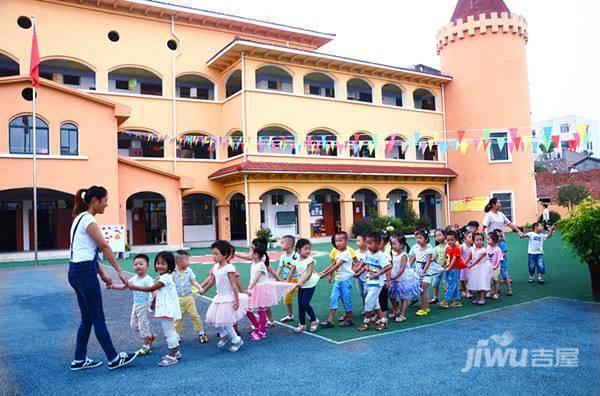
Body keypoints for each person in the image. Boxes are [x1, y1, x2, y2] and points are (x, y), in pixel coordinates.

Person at [68, 186, 137, 371]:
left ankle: (79, 359)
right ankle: (113, 358)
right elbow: (104, 246)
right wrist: (120, 271)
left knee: (87, 319)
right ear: (95, 201)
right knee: (97, 317)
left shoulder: (79, 219)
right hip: (84, 272)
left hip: (76, 271)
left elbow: (86, 251)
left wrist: (103, 274)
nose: (107, 204)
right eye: (105, 200)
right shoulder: (88, 219)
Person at [128, 251, 182, 367]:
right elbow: (157, 291)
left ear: (170, 266)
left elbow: (151, 288)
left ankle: (172, 356)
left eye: (163, 264)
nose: (159, 266)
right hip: (165, 307)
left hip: (167, 309)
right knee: (170, 330)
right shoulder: (162, 277)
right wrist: (153, 302)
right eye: (158, 263)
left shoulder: (166, 278)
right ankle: (176, 352)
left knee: (169, 332)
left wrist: (134, 287)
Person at [201, 240, 247, 352]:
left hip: (227, 298)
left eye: (216, 254)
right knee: (212, 319)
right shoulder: (216, 267)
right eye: (213, 254)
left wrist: (236, 300)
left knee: (225, 322)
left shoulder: (229, 268)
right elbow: (212, 281)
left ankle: (237, 340)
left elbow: (234, 285)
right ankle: (224, 334)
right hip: (219, 298)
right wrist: (203, 291)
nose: (214, 256)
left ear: (225, 254)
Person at [246, 238, 295, 341]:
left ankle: (262, 332)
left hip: (260, 290)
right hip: (255, 289)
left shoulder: (260, 265)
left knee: (261, 311)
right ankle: (258, 326)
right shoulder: (254, 264)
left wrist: (249, 288)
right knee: (247, 309)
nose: (248, 253)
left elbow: (256, 278)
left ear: (255, 254)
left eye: (250, 251)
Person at [108, 254, 156, 355]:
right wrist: (112, 286)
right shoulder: (134, 278)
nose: (138, 266)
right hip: (136, 305)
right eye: (135, 264)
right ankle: (149, 336)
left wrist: (153, 302)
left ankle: (146, 346)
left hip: (144, 305)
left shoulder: (148, 279)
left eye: (141, 264)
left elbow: (153, 290)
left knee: (143, 325)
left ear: (147, 266)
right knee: (133, 325)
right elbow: (124, 286)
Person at [319, 231, 356, 328]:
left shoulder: (346, 253)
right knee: (333, 298)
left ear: (346, 241)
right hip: (339, 280)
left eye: (340, 240)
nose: (338, 243)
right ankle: (330, 321)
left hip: (345, 281)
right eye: (336, 241)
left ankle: (350, 319)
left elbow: (336, 266)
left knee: (346, 300)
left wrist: (325, 275)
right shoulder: (339, 252)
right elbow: (333, 264)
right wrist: (323, 272)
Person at [173, 250, 208, 343]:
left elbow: (193, 281)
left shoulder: (189, 271)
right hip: (177, 299)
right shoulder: (173, 272)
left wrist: (200, 288)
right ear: (180, 262)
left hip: (189, 298)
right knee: (177, 318)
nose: (189, 262)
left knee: (195, 315)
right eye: (187, 260)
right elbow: (167, 281)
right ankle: (177, 335)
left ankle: (201, 333)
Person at [358, 232, 391, 331]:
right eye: (366, 243)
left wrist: (378, 273)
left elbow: (389, 266)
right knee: (375, 303)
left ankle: (366, 321)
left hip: (377, 283)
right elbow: (366, 264)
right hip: (369, 281)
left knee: (368, 301)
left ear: (377, 243)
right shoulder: (368, 253)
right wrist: (359, 272)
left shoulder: (380, 256)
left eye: (370, 243)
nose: (367, 246)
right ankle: (383, 320)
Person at [386, 235, 421, 322]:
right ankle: (396, 309)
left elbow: (402, 268)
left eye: (394, 244)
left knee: (403, 296)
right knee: (391, 293)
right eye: (392, 244)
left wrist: (395, 276)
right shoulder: (393, 254)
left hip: (403, 278)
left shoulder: (404, 255)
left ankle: (402, 314)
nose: (392, 246)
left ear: (401, 245)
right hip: (394, 276)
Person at [293, 238, 321, 333]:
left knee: (305, 303)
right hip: (302, 286)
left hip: (310, 284)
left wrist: (301, 281)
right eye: (306, 248)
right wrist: (287, 283)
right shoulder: (296, 261)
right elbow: (291, 273)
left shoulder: (310, 260)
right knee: (300, 305)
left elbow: (309, 274)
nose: (308, 251)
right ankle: (302, 324)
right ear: (298, 250)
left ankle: (314, 320)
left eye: (309, 248)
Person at [408, 229, 435, 317]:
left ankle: (423, 309)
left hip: (425, 271)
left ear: (426, 239)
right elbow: (413, 259)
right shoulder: (417, 250)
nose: (418, 240)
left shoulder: (429, 250)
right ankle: (426, 307)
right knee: (422, 290)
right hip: (418, 271)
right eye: (417, 238)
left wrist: (424, 271)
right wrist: (407, 267)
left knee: (423, 289)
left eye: (420, 238)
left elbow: (428, 262)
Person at [438, 230, 466, 308]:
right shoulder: (447, 248)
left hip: (454, 269)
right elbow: (446, 258)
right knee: (453, 284)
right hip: (449, 268)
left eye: (452, 240)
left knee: (451, 284)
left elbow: (454, 259)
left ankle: (446, 301)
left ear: (456, 240)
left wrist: (449, 267)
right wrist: (441, 266)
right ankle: (457, 300)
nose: (450, 241)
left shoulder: (456, 249)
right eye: (448, 240)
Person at [277, 235, 299, 322]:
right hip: (287, 280)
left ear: (289, 244)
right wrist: (277, 277)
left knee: (302, 298)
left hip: (297, 279)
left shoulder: (296, 255)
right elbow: (280, 267)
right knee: (287, 299)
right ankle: (290, 315)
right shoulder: (282, 256)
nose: (280, 245)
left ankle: (309, 314)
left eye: (282, 243)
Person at [466, 232, 490, 305]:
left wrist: (471, 265)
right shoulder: (472, 249)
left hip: (482, 268)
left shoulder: (483, 250)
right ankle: (478, 298)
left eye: (481, 240)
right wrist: (464, 263)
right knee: (476, 283)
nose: (479, 241)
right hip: (475, 269)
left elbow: (477, 260)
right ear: (473, 241)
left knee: (481, 283)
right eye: (477, 240)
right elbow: (469, 257)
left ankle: (482, 298)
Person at [430, 229, 447, 304]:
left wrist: (442, 266)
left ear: (444, 236)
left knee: (446, 284)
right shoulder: (435, 248)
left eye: (440, 235)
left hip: (446, 268)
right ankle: (435, 297)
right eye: (436, 236)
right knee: (435, 283)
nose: (438, 237)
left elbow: (447, 257)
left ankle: (446, 298)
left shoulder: (448, 246)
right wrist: (434, 262)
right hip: (438, 269)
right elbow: (435, 258)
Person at [494, 229, 513, 296]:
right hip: (494, 264)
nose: (499, 238)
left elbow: (504, 253)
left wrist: (498, 259)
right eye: (498, 237)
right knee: (495, 277)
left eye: (500, 236)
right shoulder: (493, 244)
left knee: (505, 276)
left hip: (502, 264)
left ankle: (509, 289)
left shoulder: (502, 244)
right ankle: (497, 289)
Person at [353, 234, 369, 314]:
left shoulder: (369, 253)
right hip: (358, 277)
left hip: (367, 276)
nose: (357, 242)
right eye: (356, 240)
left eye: (359, 241)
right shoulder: (355, 253)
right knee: (361, 293)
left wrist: (359, 272)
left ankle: (370, 309)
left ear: (365, 242)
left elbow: (366, 265)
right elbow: (353, 265)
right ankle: (366, 307)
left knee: (367, 292)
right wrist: (354, 272)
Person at [459, 231, 474, 299]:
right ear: (464, 239)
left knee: (467, 278)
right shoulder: (462, 246)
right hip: (463, 264)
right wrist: (462, 263)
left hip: (469, 264)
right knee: (462, 279)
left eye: (472, 237)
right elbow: (459, 256)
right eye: (469, 237)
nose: (471, 238)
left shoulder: (472, 247)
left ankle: (467, 291)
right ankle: (464, 291)